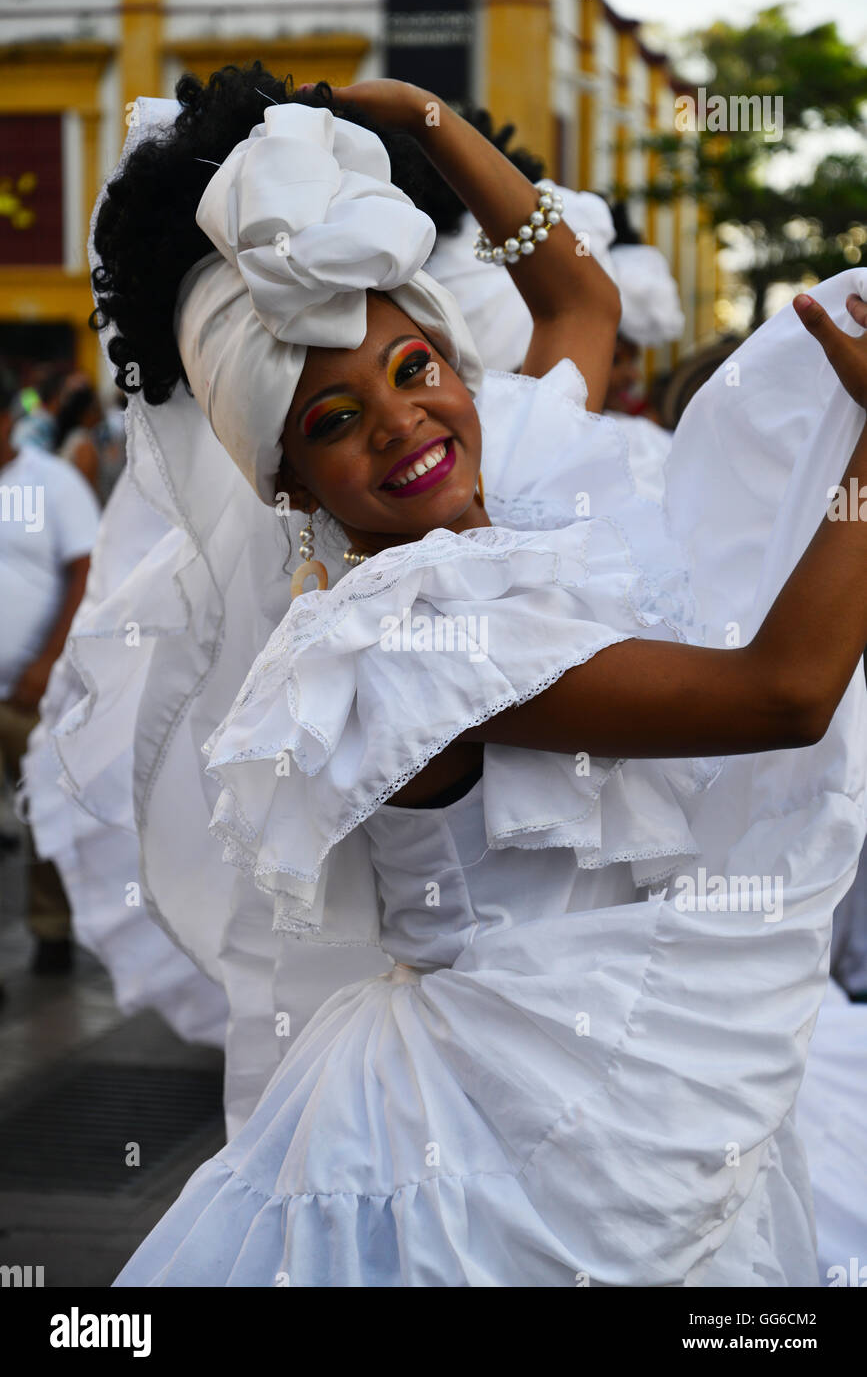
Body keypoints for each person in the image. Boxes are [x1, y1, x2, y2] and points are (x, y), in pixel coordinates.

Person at [29, 68, 867, 1287]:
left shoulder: (509, 485)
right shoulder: (400, 631)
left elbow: (574, 291)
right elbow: (781, 697)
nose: (401, 422)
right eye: (332, 420)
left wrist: (427, 125)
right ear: (289, 486)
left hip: (631, 1081)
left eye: (416, 365)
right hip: (503, 1130)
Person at [0, 363, 100, 973]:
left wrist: (48, 662)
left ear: (8, 418)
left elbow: (85, 570)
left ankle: (52, 930)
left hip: (27, 691)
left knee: (42, 809)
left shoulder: (49, 483)